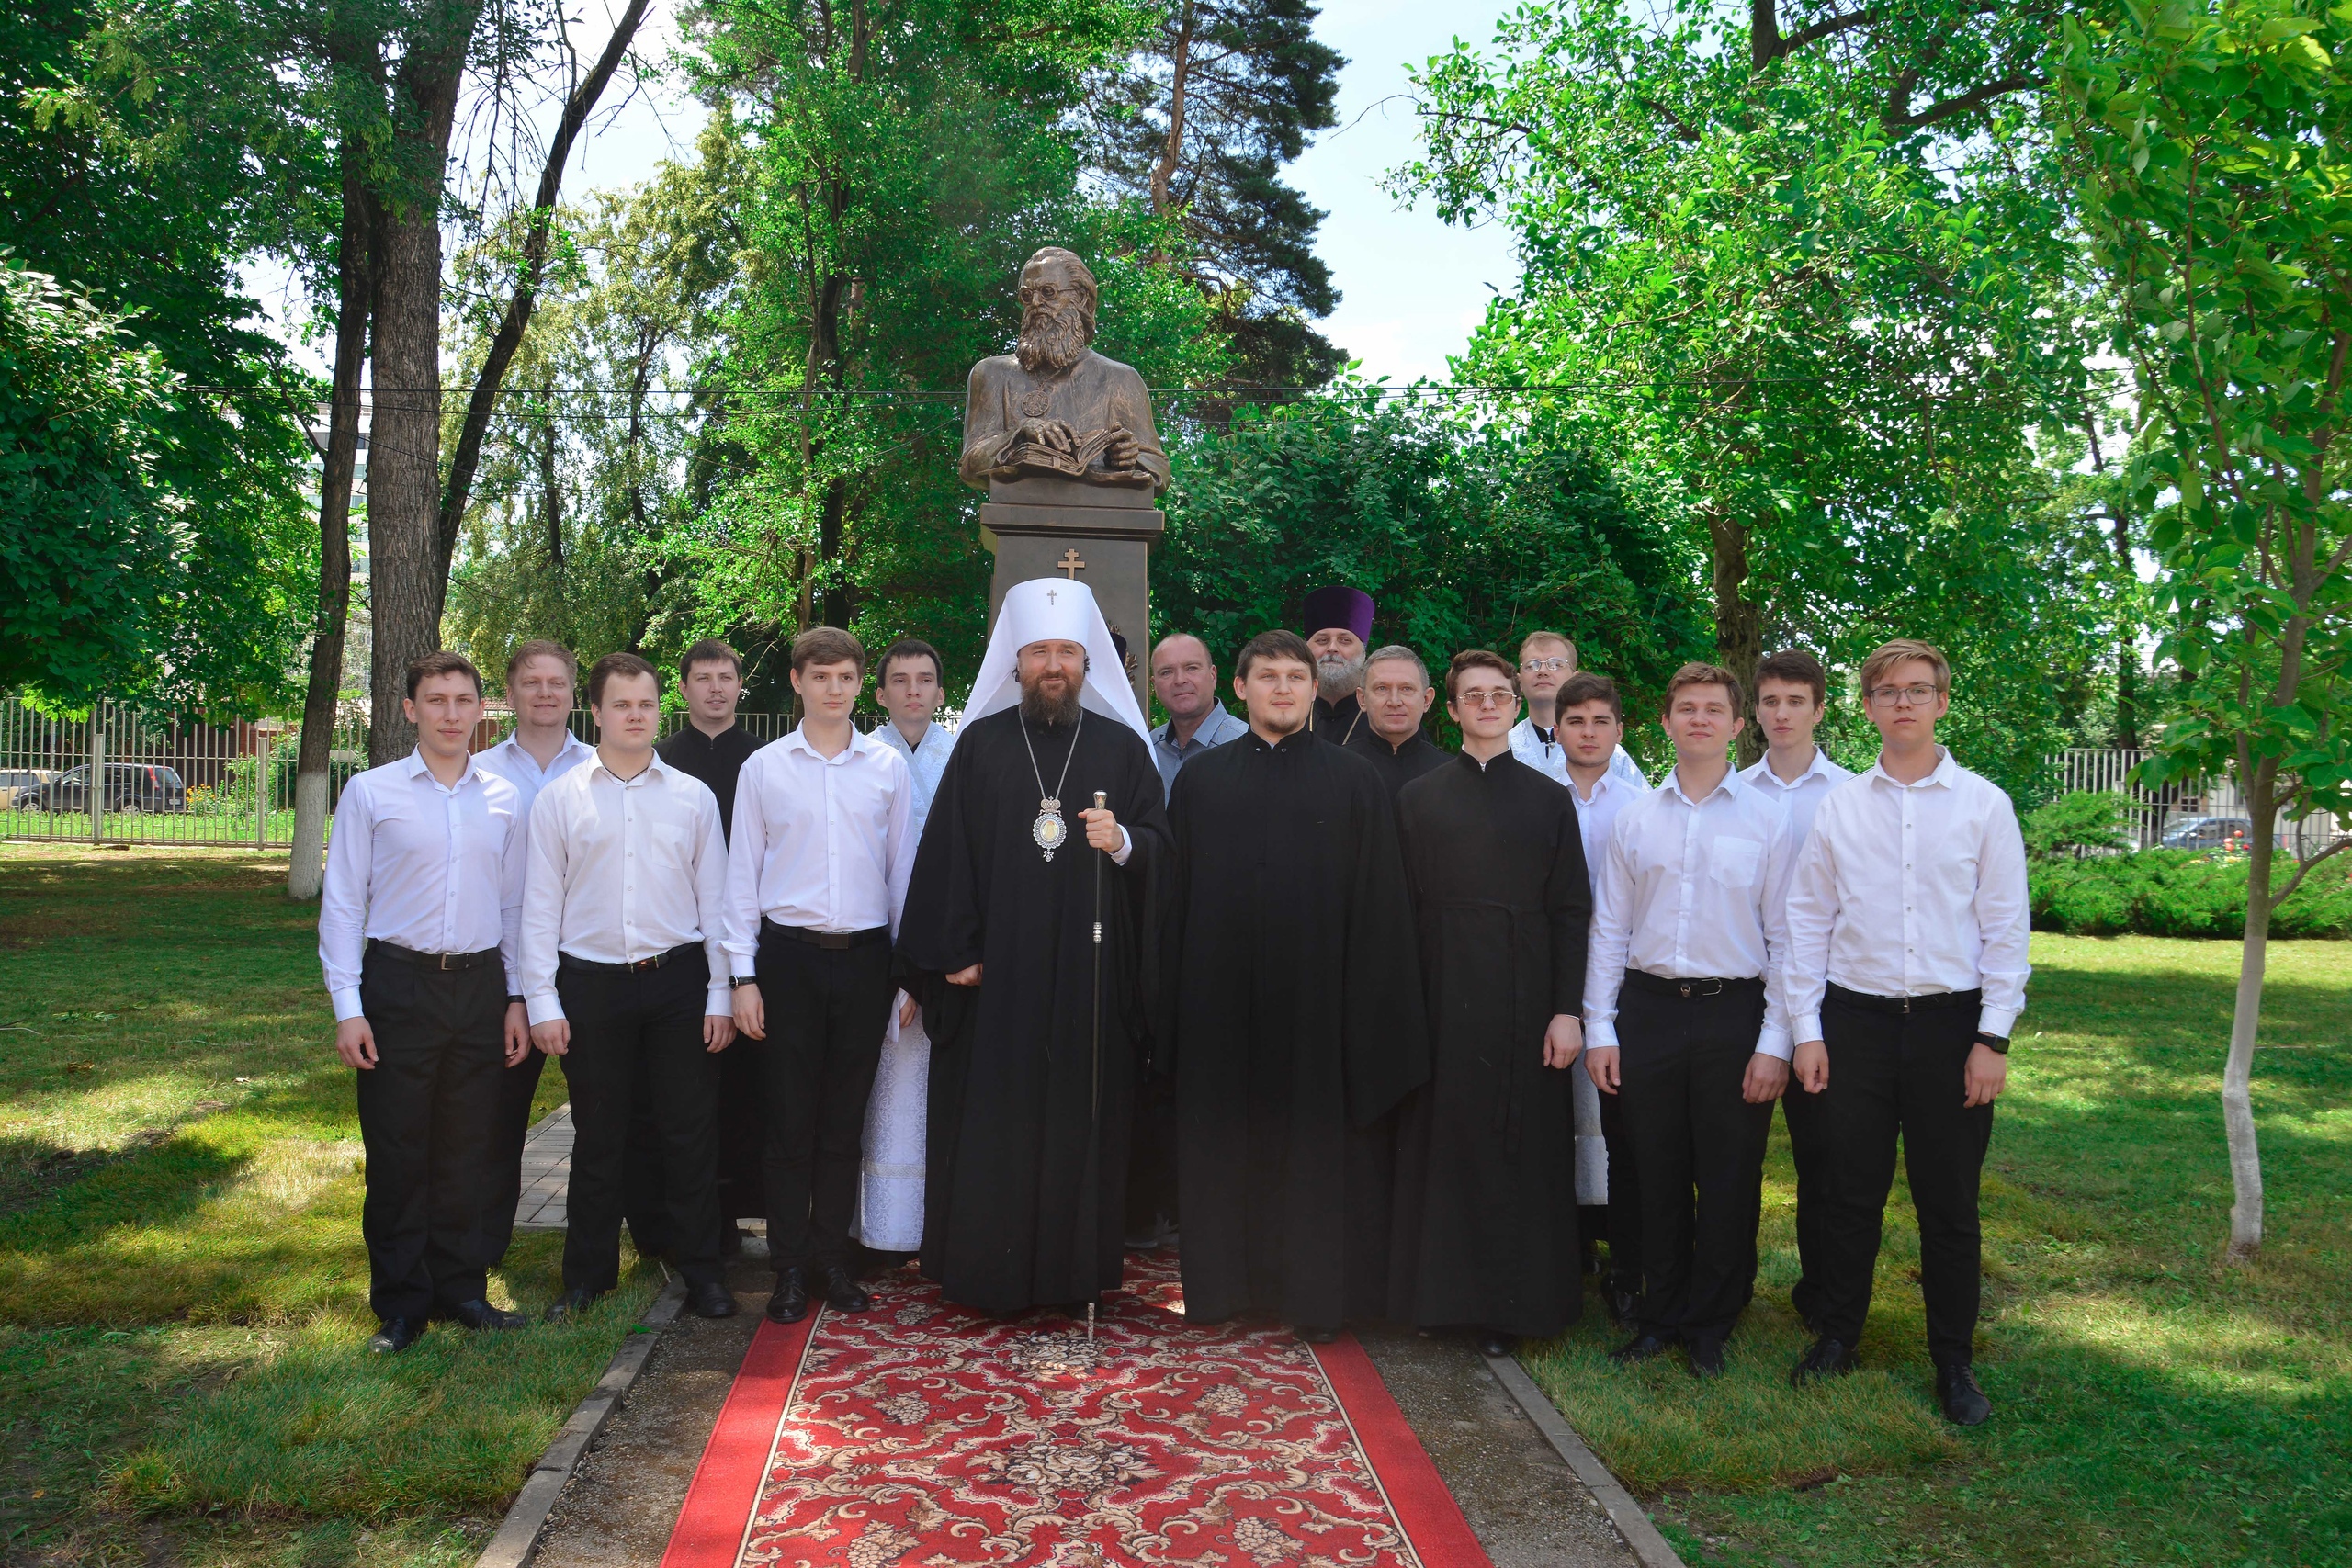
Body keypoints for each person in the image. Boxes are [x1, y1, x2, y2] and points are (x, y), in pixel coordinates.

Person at [894, 579, 1170, 1314]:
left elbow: (1164, 852)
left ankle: (1073, 1275)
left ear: (1088, 664)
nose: (1055, 665)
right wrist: (953, 950)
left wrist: (1125, 844)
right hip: (997, 980)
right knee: (998, 1125)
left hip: (1091, 980)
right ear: (1016, 663)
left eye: (1068, 653)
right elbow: (945, 855)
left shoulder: (1121, 747)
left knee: (1080, 1121)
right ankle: (990, 1274)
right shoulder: (981, 745)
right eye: (1041, 651)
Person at [1783, 639, 2028, 1427]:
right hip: (1854, 1022)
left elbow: (2005, 928)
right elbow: (1807, 921)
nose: (1902, 703)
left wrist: (1992, 1039)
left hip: (1951, 1027)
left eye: (1917, 690)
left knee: (1948, 1203)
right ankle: (1837, 1336)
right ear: (1867, 705)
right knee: (1849, 1192)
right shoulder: (1841, 806)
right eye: (1886, 691)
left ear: (1942, 702)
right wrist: (1807, 1031)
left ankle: (1953, 1361)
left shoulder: (1984, 805)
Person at [1161, 629, 1427, 1341]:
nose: (1283, 688)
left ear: (1315, 690)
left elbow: (1381, 910)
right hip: (1218, 1007)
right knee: (1223, 1146)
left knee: (1315, 1155)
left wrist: (1369, 1015)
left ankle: (1312, 1300)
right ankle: (1220, 1293)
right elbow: (1174, 904)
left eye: (1296, 677)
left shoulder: (1354, 782)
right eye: (1268, 676)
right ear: (1240, 688)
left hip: (1321, 1009)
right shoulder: (1200, 782)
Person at [1583, 662, 1794, 1378]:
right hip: (1647, 1011)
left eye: (1714, 709)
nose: (1699, 719)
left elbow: (1790, 940)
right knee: (1655, 1170)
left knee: (1729, 1172)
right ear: (1666, 723)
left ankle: (1711, 1322)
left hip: (1735, 1012)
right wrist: (1601, 1027)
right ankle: (1659, 1313)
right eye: (1686, 708)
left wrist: (1777, 1041)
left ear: (1739, 725)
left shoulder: (1769, 820)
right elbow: (1609, 929)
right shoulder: (1636, 816)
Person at [320, 652, 531, 1352]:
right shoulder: (372, 794)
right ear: (409, 709)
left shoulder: (504, 798)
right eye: (435, 699)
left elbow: (512, 906)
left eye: (462, 700)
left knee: (467, 1146)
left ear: (480, 710)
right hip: (398, 987)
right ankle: (403, 1303)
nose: (449, 713)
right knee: (400, 1148)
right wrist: (349, 1005)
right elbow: (345, 902)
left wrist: (516, 998)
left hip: (477, 988)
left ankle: (462, 1289)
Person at [522, 653, 739, 1324]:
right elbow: (538, 907)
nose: (636, 715)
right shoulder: (560, 798)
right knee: (598, 1135)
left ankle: (702, 1270)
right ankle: (588, 1277)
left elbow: (717, 901)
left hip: (677, 981)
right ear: (597, 711)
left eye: (646, 704)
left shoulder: (691, 798)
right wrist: (542, 1000)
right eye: (622, 705)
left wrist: (722, 992)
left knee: (689, 1132)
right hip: (590, 985)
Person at [1391, 651, 1589, 1356]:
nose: (1486, 703)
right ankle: (1439, 1302)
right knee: (1443, 1146)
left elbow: (1571, 910)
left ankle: (1511, 1307)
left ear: (1513, 705)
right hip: (1441, 993)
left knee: (1518, 1150)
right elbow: (1399, 911)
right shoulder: (1417, 796)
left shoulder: (1548, 797)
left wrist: (1568, 1009)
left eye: (1498, 693)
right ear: (1448, 709)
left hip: (1526, 997)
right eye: (1471, 695)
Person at [726, 627, 916, 1323]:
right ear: (798, 683)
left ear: (859, 684)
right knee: (788, 1121)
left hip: (866, 959)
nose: (833, 689)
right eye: (820, 676)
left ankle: (832, 1258)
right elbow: (740, 877)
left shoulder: (884, 768)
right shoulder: (766, 768)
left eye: (845, 677)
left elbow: (902, 873)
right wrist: (741, 977)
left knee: (843, 1121)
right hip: (788, 959)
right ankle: (786, 1266)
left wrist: (905, 973)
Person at [1738, 648, 1854, 1336]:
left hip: (1823, 998)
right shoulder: (1732, 791)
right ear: (1755, 710)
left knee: (1826, 1159)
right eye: (1770, 701)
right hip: (1742, 991)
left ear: (1818, 708)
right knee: (1736, 1155)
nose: (1782, 714)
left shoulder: (1848, 793)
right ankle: (1730, 1285)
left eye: (1795, 702)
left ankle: (1822, 1291)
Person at [472, 640, 594, 1271]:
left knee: (604, 1121)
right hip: (502, 975)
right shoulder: (479, 773)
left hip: (586, 969)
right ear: (511, 692)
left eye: (556, 682)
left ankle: (602, 1248)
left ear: (574, 692)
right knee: (497, 1121)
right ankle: (484, 1247)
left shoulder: (603, 768)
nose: (544, 693)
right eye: (531, 682)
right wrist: (513, 988)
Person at [651, 638, 768, 1258]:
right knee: (693, 1090)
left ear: (739, 683)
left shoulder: (766, 759)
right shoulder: (661, 760)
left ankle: (753, 1208)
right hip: (682, 943)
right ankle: (699, 1222)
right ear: (685, 687)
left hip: (752, 946)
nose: (716, 687)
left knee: (753, 1088)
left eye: (726, 676)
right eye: (703, 677)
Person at [1553, 671, 1646, 1325]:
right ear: (1556, 729)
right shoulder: (1534, 793)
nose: (1589, 732)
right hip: (1552, 970)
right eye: (1576, 720)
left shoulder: (1642, 805)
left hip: (1621, 973)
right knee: (1556, 1115)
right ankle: (1565, 1246)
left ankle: (1628, 1260)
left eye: (1601, 721)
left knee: (1621, 1120)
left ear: (1619, 729)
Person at [861, 637, 958, 1260]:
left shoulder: (961, 752)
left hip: (948, 947)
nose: (914, 691)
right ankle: (879, 1229)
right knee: (881, 1088)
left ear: (942, 693)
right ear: (881, 692)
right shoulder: (862, 756)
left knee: (938, 1089)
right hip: (881, 943)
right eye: (901, 680)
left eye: (926, 679)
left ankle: (937, 1225)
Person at [1508, 631, 1647, 791]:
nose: (1543, 671)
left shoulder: (1609, 751)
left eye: (1556, 664)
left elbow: (1644, 808)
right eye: (1532, 665)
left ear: (1574, 678)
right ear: (1519, 682)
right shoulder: (1504, 747)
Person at [1146, 632, 1246, 799]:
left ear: (1212, 676)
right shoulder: (1148, 752)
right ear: (1154, 686)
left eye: (1191, 668)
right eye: (1166, 672)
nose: (1180, 680)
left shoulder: (1245, 745)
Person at [1345, 644, 1448, 803]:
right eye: (1381, 688)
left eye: (1406, 689)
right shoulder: (1336, 769)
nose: (1394, 701)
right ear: (1362, 699)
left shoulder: (1449, 772)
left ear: (1427, 700)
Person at [1301, 585, 1374, 744]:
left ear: (1363, 652)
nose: (1332, 648)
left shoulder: (1383, 715)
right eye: (1322, 640)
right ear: (1307, 650)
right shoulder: (1291, 712)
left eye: (1345, 640)